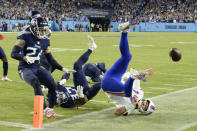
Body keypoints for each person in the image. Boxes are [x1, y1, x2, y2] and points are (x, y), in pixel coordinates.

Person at [11, 17, 74, 119]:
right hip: (25, 69)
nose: (44, 32)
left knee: (52, 84)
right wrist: (25, 57)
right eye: (41, 29)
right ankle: (45, 110)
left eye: (45, 29)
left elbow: (50, 59)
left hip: (36, 68)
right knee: (36, 82)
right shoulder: (25, 37)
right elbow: (13, 54)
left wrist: (62, 68)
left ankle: (50, 109)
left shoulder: (45, 40)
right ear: (35, 29)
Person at [101, 22, 155, 116]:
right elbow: (138, 76)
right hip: (114, 77)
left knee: (127, 93)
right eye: (147, 103)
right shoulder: (140, 93)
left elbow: (116, 113)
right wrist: (144, 72)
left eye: (145, 106)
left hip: (108, 85)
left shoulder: (131, 109)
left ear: (143, 110)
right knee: (127, 57)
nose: (144, 104)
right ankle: (124, 31)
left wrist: (130, 106)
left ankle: (132, 77)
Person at [52, 35, 100, 108]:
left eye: (59, 96)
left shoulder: (57, 88)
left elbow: (65, 77)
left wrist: (65, 77)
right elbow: (82, 102)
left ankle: (92, 48)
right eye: (60, 99)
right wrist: (81, 96)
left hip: (79, 86)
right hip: (84, 95)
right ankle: (114, 83)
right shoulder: (67, 103)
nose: (61, 97)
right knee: (99, 85)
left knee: (77, 65)